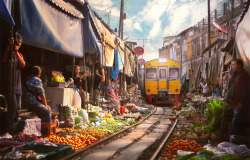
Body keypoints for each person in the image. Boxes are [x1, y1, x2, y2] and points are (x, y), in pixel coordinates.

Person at [2, 33, 25, 132]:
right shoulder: (8, 52)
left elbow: (23, 65)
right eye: (16, 42)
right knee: (13, 108)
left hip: (18, 87)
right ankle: (6, 130)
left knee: (17, 110)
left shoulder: (19, 55)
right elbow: (3, 61)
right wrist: (8, 46)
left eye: (19, 43)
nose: (18, 44)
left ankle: (14, 131)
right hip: (9, 86)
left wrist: (16, 52)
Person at [231, 59, 250, 137]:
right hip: (236, 102)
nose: (232, 67)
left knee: (236, 122)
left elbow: (244, 90)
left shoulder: (244, 75)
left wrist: (241, 102)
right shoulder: (238, 75)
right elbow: (236, 88)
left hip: (240, 103)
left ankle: (233, 139)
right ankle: (236, 140)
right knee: (237, 122)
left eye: (234, 65)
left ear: (239, 65)